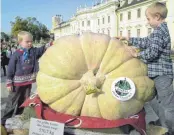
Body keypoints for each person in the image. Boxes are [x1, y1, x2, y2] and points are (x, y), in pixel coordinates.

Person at [117, 2, 174, 134]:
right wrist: (129, 38)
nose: (147, 22)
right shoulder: (156, 32)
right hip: (155, 75)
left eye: (148, 19)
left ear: (157, 17)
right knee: (151, 99)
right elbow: (146, 42)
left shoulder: (160, 32)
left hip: (163, 75)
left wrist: (137, 54)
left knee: (168, 105)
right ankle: (163, 122)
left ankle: (171, 130)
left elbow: (152, 52)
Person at [1, 31, 50, 125]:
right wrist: (9, 83)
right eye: (27, 41)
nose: (30, 43)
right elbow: (10, 69)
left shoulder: (33, 51)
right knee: (12, 101)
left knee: (24, 101)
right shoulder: (16, 54)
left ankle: (19, 116)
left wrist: (50, 44)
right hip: (16, 84)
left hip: (28, 83)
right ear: (20, 42)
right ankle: (4, 120)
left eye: (31, 41)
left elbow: (41, 49)